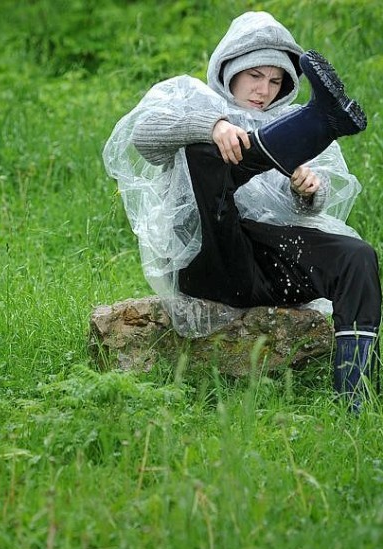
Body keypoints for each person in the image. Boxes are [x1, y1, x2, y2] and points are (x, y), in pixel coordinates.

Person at [102, 11, 381, 411]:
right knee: (208, 152)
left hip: (261, 270)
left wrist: (307, 191)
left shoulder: (285, 121)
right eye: (255, 75)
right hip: (207, 261)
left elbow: (311, 207)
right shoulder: (193, 99)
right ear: (231, 69)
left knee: (357, 257)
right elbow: (144, 137)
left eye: (274, 80)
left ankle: (355, 400)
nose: (263, 90)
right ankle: (324, 120)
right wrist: (212, 125)